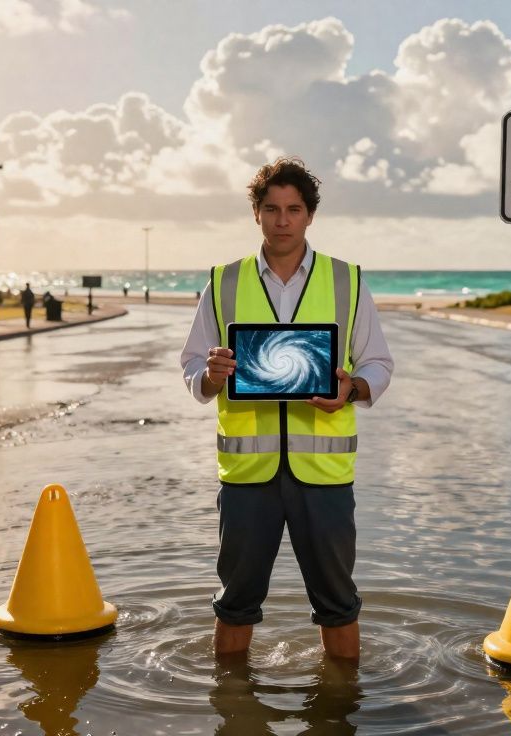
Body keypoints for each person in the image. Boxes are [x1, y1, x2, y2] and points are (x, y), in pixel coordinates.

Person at [180, 157, 394, 661]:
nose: (282, 220)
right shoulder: (223, 283)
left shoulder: (347, 281)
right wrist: (208, 377)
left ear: (309, 216)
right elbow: (192, 365)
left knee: (339, 605)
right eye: (271, 208)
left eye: (293, 209)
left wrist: (354, 389)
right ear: (256, 213)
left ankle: (341, 708)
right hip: (246, 476)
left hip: (323, 476)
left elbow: (380, 364)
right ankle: (232, 708)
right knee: (233, 604)